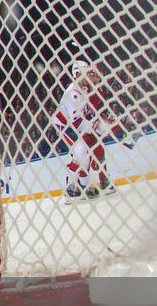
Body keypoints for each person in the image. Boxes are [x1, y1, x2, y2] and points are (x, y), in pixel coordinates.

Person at [53, 60, 135, 203]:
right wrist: (102, 126)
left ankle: (86, 187)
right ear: (78, 74)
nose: (91, 76)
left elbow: (91, 112)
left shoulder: (85, 89)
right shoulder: (74, 94)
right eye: (88, 73)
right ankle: (71, 189)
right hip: (66, 127)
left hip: (78, 124)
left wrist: (104, 124)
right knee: (81, 155)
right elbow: (77, 122)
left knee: (91, 150)